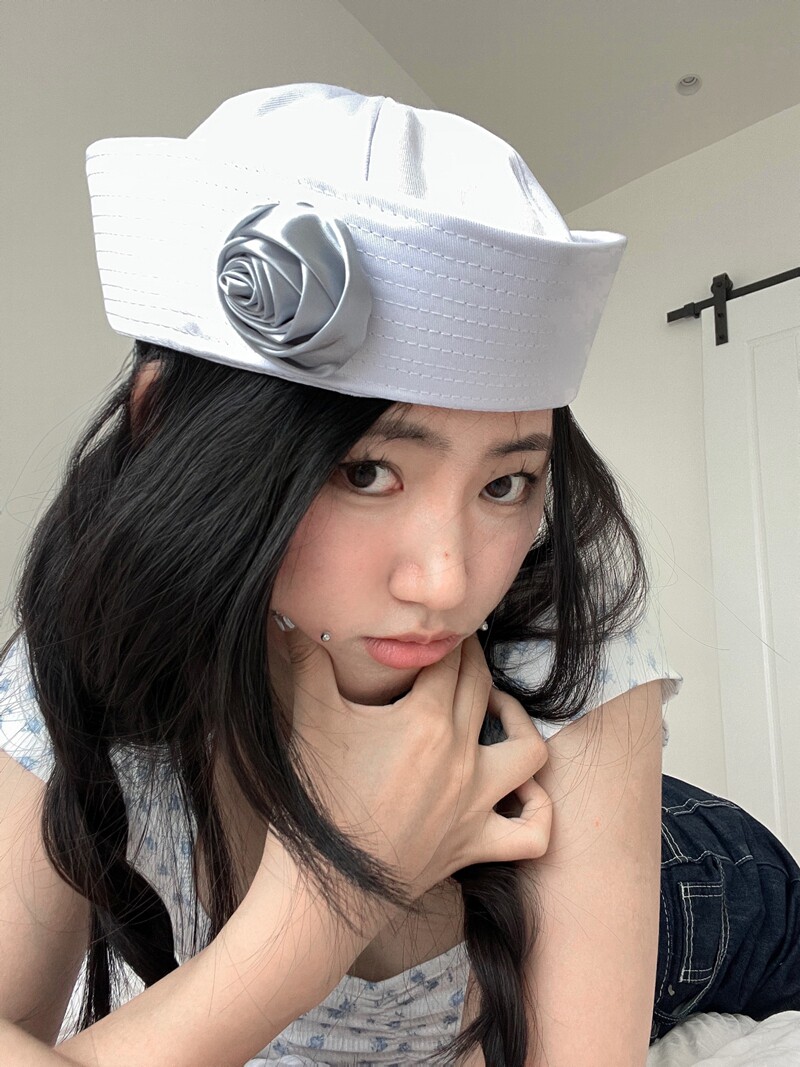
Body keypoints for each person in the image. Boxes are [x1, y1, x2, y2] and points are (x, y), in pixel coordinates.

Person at [0, 83, 797, 1067]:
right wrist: (331, 897)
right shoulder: (91, 640)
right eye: (366, 471)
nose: (448, 582)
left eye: (505, 482)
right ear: (165, 429)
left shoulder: (550, 586)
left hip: (702, 879)